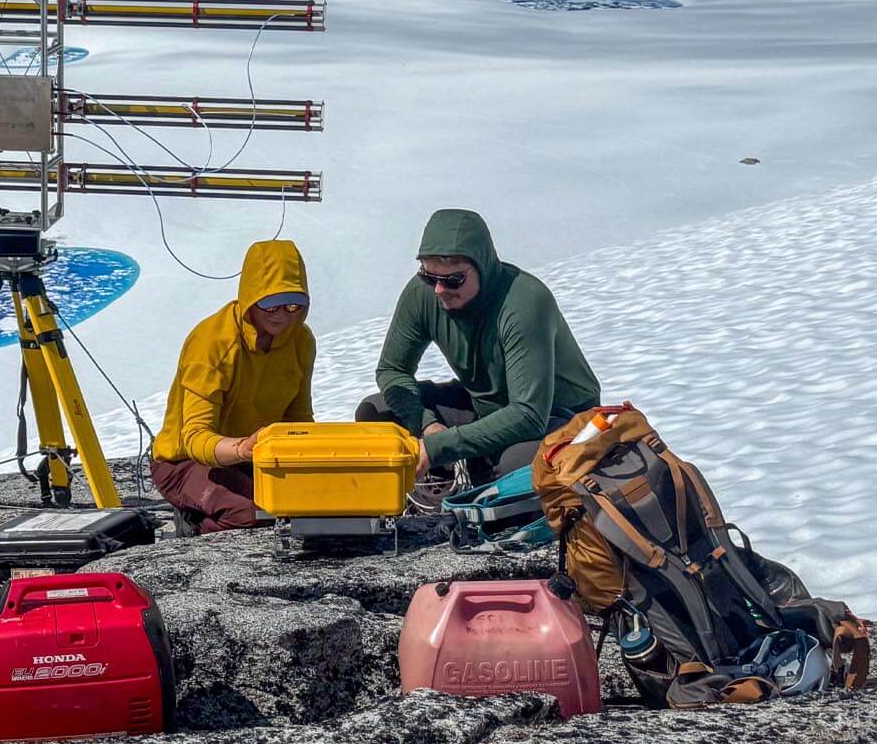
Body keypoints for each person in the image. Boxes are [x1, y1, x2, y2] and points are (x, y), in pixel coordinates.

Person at [358, 208, 600, 485]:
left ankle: (494, 515)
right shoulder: (422, 295)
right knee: (376, 412)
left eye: (452, 280)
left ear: (482, 266)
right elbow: (392, 370)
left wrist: (441, 445)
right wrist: (425, 423)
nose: (438, 289)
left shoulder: (523, 303)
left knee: (515, 468)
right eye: (429, 277)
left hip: (560, 418)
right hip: (485, 404)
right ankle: (436, 496)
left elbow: (529, 414)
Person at [151, 239, 315, 534]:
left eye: (294, 305)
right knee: (251, 513)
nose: (283, 314)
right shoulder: (212, 343)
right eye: (270, 304)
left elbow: (299, 418)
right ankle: (194, 529)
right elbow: (194, 438)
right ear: (251, 297)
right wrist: (242, 449)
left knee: (315, 502)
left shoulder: (300, 341)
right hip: (184, 463)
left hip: (254, 457)